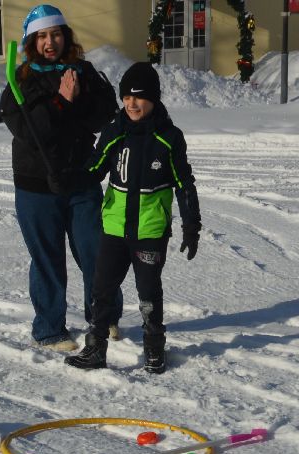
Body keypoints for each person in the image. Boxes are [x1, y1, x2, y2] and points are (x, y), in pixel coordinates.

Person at [67, 62, 200, 375]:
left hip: (150, 230)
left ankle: (154, 347)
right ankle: (95, 347)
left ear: (153, 99)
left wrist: (191, 226)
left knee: (148, 291)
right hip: (113, 228)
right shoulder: (115, 131)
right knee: (101, 290)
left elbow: (184, 184)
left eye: (139, 98)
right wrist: (69, 177)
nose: (132, 104)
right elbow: (95, 168)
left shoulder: (169, 138)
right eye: (126, 97)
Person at [0, 5, 116, 352]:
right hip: (36, 185)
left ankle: (104, 317)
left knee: (96, 250)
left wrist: (76, 103)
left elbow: (103, 115)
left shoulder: (84, 72)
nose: (51, 42)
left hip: (81, 179)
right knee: (48, 257)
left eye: (56, 34)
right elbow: (27, 129)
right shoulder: (21, 81)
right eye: (43, 36)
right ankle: (50, 330)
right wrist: (62, 103)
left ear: (66, 36)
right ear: (32, 42)